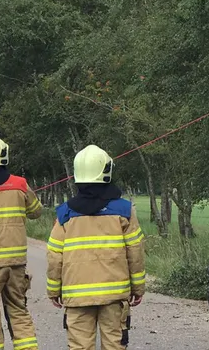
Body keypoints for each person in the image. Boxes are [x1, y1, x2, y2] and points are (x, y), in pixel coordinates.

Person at [46, 144, 145, 350]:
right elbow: (135, 252)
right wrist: (138, 287)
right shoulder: (125, 211)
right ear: (107, 171)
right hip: (114, 296)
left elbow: (55, 255)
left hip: (77, 297)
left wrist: (54, 289)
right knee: (115, 345)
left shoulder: (64, 214)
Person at [0, 135, 43, 350]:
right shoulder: (19, 184)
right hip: (16, 262)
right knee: (18, 310)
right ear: (3, 155)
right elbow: (36, 212)